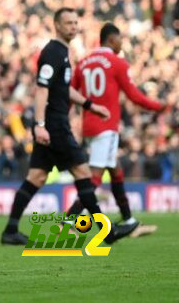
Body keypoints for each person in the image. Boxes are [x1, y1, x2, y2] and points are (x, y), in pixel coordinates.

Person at [0, 8, 138, 245]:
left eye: (76, 23)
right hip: (54, 125)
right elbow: (42, 90)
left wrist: (90, 105)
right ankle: (107, 231)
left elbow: (63, 89)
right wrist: (40, 124)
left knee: (37, 176)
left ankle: (10, 230)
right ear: (57, 25)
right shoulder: (53, 52)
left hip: (53, 123)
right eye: (68, 23)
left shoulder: (64, 52)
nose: (73, 27)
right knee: (84, 172)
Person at [65, 23, 164, 235]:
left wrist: (62, 117)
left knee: (115, 171)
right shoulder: (116, 62)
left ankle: (128, 219)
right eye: (120, 39)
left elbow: (70, 93)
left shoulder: (83, 63)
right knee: (95, 176)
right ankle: (69, 221)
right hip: (106, 125)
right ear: (111, 39)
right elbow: (134, 95)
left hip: (89, 125)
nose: (122, 43)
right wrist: (159, 107)